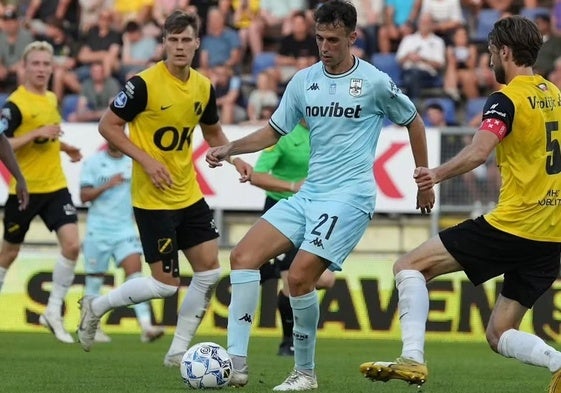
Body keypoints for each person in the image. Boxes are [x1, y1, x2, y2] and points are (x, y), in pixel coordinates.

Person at [205, 1, 434, 390]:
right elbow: (274, 131)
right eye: (319, 39)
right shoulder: (303, 81)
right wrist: (231, 149)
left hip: (349, 199)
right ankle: (236, 365)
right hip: (310, 194)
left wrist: (424, 181)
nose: (324, 47)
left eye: (332, 40)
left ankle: (304, 373)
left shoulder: (375, 82)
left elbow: (413, 120)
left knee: (298, 276)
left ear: (352, 38)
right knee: (243, 256)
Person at [360, 16, 561, 393]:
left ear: (504, 51)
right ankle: (559, 363)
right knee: (499, 332)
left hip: (514, 225)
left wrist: (435, 174)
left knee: (409, 266)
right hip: (551, 235)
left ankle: (412, 358)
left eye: (490, 53)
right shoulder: (555, 94)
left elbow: (478, 151)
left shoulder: (507, 99)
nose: (488, 62)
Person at [76, 11, 252, 366]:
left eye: (186, 40)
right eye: (172, 40)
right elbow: (107, 126)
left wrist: (234, 158)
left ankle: (176, 352)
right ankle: (95, 306)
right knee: (165, 285)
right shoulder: (143, 84)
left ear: (197, 43)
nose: (179, 47)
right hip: (152, 199)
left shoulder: (203, 86)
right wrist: (146, 160)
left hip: (187, 193)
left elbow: (213, 132)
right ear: (164, 44)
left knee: (209, 271)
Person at [0, 40, 82, 344]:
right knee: (8, 253)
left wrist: (64, 146)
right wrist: (36, 133)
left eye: (46, 64)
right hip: (24, 191)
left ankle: (52, 312)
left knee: (72, 246)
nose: (42, 69)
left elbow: (47, 137)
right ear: (24, 67)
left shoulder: (50, 97)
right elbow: (3, 141)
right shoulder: (15, 104)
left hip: (55, 187)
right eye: (35, 64)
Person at [250, 120, 335, 357]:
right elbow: (256, 175)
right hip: (283, 209)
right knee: (292, 279)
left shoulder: (328, 130)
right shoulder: (284, 135)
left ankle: (270, 269)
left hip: (315, 211)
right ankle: (287, 342)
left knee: (326, 280)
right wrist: (292, 185)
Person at [79, 142, 165, 344]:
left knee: (135, 273)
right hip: (98, 230)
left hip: (124, 229)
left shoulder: (133, 163)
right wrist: (108, 184)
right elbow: (84, 196)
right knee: (94, 280)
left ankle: (145, 326)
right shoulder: (93, 162)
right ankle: (92, 326)